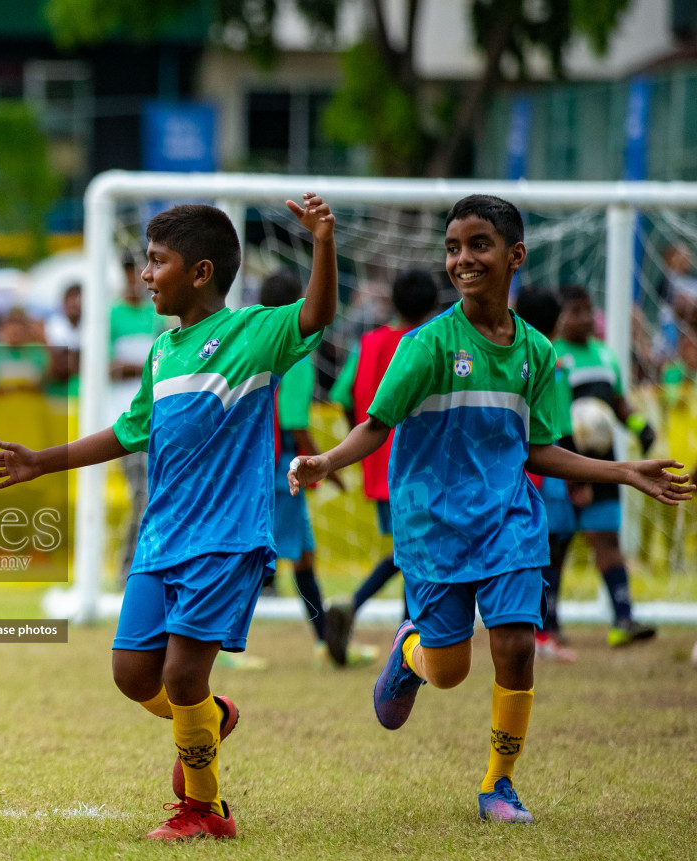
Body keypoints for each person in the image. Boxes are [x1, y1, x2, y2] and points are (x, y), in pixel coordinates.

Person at [290, 195, 692, 826]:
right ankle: (413, 652)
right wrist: (326, 462)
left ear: (514, 256)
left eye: (478, 244)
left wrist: (623, 471)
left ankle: (498, 785)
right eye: (453, 247)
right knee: (450, 671)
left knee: (516, 645)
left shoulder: (538, 353)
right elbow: (376, 425)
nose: (463, 259)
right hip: (433, 523)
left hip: (510, 519)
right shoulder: (425, 347)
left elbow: (539, 451)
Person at [0, 194, 338, 841]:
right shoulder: (162, 352)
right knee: (132, 674)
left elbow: (316, 313)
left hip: (225, 540)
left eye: (156, 261)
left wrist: (321, 243)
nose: (145, 275)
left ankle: (205, 810)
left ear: (200, 273)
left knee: (180, 674)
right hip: (162, 536)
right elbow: (128, 430)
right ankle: (208, 717)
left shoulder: (252, 333)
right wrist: (43, 461)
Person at [324, 268, 439, 662]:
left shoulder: (368, 343)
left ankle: (393, 629)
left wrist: (365, 437)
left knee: (408, 552)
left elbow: (340, 395)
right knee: (416, 554)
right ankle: (405, 639)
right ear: (434, 306)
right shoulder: (428, 342)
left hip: (378, 465)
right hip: (422, 468)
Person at [539, 284, 660, 650]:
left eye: (589, 310)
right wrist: (573, 476)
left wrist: (641, 427)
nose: (585, 318)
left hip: (605, 463)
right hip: (564, 461)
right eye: (575, 310)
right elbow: (554, 416)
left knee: (606, 537)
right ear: (559, 317)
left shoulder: (606, 356)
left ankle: (624, 618)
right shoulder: (552, 355)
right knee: (555, 545)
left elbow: (618, 404)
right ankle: (549, 625)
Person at [258, 271, 363, 664]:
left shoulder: (254, 349)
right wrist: (326, 466)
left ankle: (324, 642)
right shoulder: (296, 358)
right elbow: (295, 427)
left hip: (259, 463)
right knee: (253, 559)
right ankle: (214, 646)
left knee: (302, 557)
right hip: (279, 468)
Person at [509, 286, 576, 661]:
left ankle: (546, 626)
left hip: (520, 473)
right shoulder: (548, 359)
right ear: (555, 322)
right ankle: (541, 631)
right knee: (549, 550)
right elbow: (559, 427)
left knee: (543, 552)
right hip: (545, 474)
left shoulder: (521, 354)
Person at [110, 255, 171, 585]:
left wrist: (132, 366)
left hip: (159, 417)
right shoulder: (110, 315)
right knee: (142, 495)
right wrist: (143, 366)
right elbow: (106, 367)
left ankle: (149, 567)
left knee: (157, 494)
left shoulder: (155, 315)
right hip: (126, 419)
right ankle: (129, 569)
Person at [44, 283, 83, 397]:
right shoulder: (54, 325)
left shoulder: (91, 327)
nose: (75, 303)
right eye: (71, 298)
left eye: (79, 298)